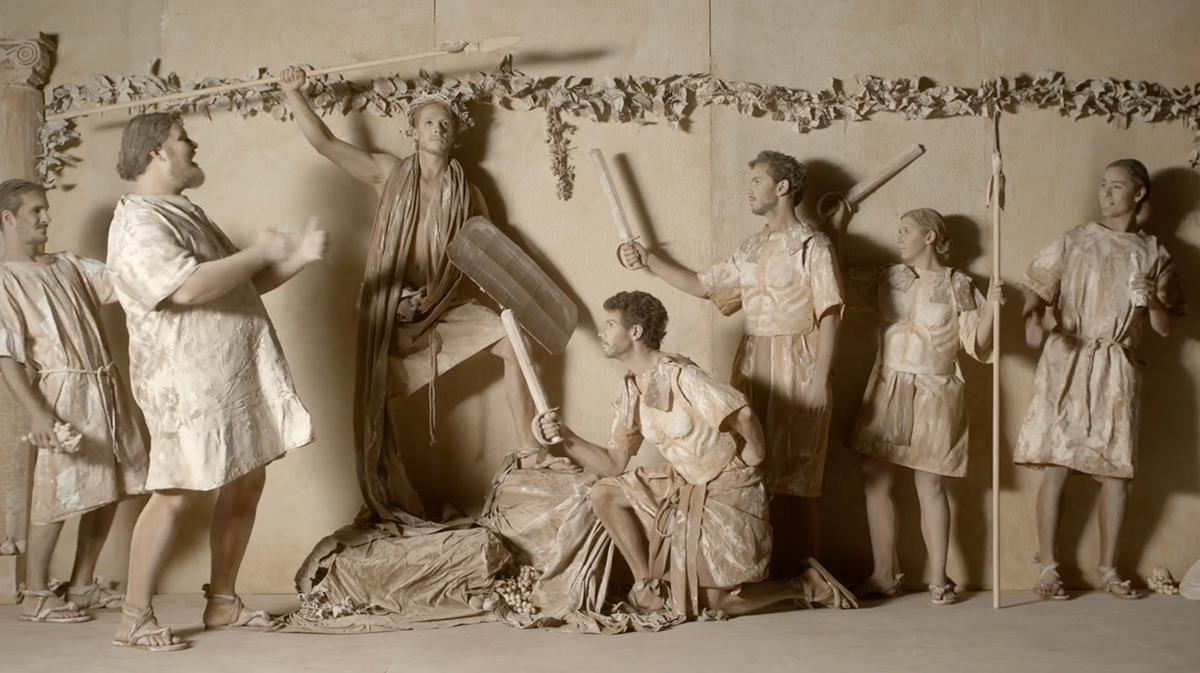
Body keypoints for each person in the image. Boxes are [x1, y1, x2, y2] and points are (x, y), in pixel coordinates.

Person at [107, 113, 326, 650]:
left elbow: (235, 284)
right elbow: (185, 289)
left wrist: (297, 258)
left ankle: (222, 601)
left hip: (229, 375)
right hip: (184, 384)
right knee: (175, 493)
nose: (193, 144)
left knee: (247, 479)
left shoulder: (183, 211)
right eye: (183, 138)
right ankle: (133, 618)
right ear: (157, 151)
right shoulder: (137, 222)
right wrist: (260, 252)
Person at [280, 66, 536, 521]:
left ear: (454, 134)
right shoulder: (387, 172)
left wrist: (514, 303)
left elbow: (491, 258)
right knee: (375, 407)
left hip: (443, 305)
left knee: (514, 343)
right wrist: (293, 93)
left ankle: (530, 452)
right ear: (413, 131)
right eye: (429, 122)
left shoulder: (470, 195)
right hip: (391, 310)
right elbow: (325, 143)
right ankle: (392, 500)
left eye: (445, 123)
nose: (438, 129)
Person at [538, 290, 857, 618]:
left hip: (729, 489)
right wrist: (565, 437)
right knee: (604, 493)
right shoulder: (630, 389)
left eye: (610, 325)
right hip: (686, 486)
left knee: (717, 602)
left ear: (635, 332)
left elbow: (744, 414)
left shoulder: (682, 375)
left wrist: (755, 455)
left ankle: (805, 586)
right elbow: (612, 464)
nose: (602, 333)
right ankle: (648, 585)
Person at [619, 151, 844, 573]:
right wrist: (648, 259)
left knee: (801, 473)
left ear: (782, 187)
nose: (749, 188)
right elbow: (703, 285)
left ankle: (812, 575)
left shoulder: (814, 246)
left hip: (799, 364)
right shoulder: (751, 248)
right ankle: (760, 571)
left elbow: (830, 313)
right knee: (751, 465)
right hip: (752, 363)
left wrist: (818, 379)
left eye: (757, 180)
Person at [1015, 159, 1184, 600]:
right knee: (1058, 464)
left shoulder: (1154, 253)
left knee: (1117, 472)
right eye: (1103, 185)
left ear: (1139, 194)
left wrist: (1152, 301)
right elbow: (1036, 289)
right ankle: (1049, 568)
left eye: (1116, 186)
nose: (1105, 193)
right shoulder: (1075, 240)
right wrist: (1032, 319)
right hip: (1068, 357)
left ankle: (1109, 569)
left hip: (1116, 363)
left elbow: (1166, 328)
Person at [832, 203, 1001, 604]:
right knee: (875, 479)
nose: (899, 237)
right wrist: (836, 229)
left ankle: (939, 578)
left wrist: (993, 307)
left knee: (931, 484)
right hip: (889, 386)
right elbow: (833, 282)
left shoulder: (959, 284)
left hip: (936, 392)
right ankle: (883, 574)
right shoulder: (888, 277)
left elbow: (976, 343)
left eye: (906, 230)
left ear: (929, 236)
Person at [0, 179, 149, 623]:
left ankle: (82, 585)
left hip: (104, 385)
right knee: (55, 494)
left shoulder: (69, 265)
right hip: (62, 395)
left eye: (46, 209)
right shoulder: (5, 281)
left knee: (113, 484)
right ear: (7, 219)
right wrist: (37, 413)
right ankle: (35, 593)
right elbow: (6, 355)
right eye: (36, 211)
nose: (46, 218)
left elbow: (127, 282)